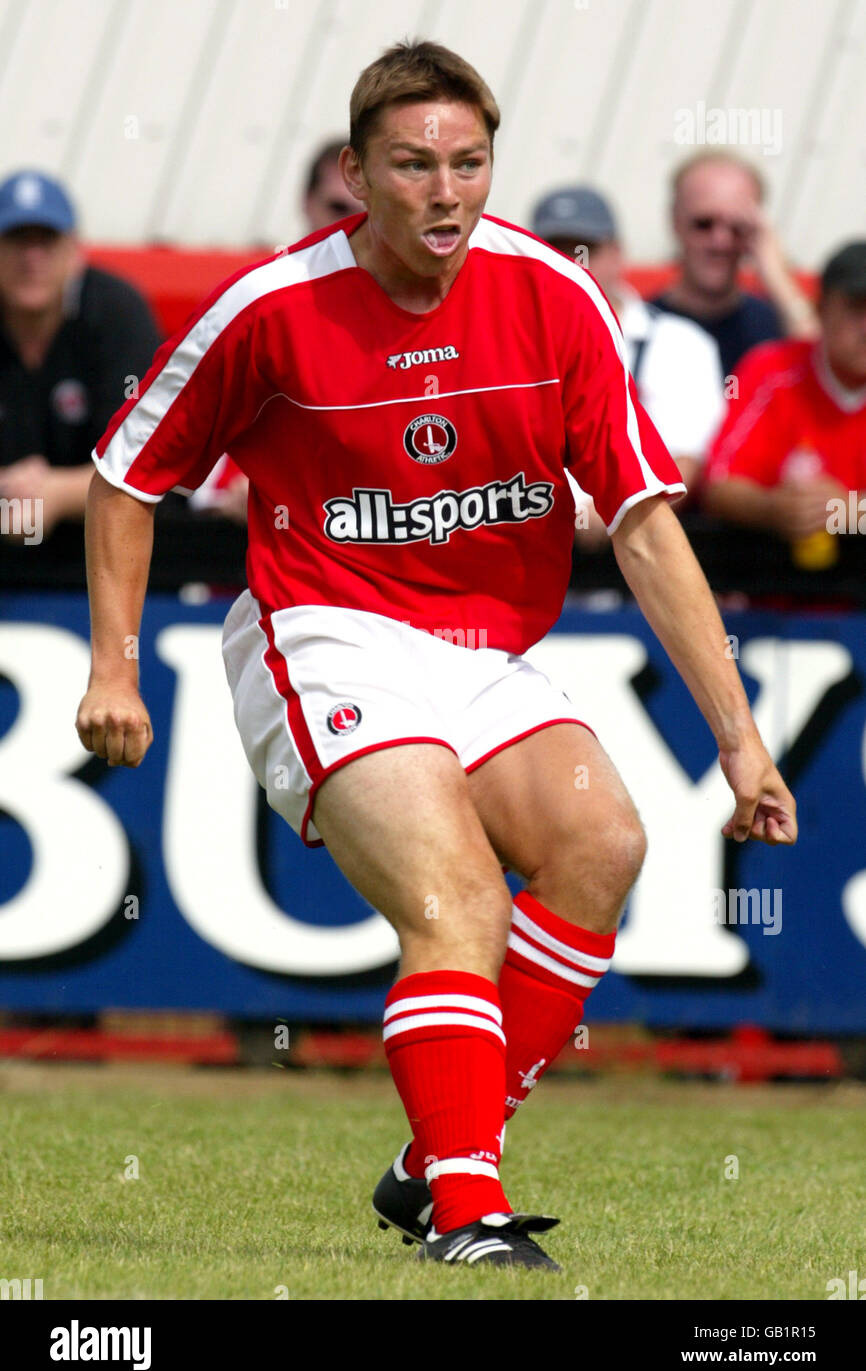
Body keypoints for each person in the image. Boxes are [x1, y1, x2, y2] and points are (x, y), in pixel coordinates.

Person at [75, 40, 797, 1272]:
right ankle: (468, 1210)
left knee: (602, 842)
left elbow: (642, 525)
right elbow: (125, 477)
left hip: (478, 651)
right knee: (453, 895)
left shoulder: (552, 299)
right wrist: (113, 667)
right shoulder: (269, 308)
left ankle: (432, 1154)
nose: (446, 190)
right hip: (321, 633)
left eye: (467, 161)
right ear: (356, 173)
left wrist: (739, 742)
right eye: (413, 165)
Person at [532, 185, 724, 550]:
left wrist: (608, 516)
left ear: (618, 255)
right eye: (553, 250)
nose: (571, 262)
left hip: (639, 555)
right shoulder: (509, 344)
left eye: (583, 250)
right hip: (543, 558)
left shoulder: (681, 343)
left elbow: (686, 463)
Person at [193, 138, 366, 527]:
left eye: (365, 210)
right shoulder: (253, 307)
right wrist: (242, 492)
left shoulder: (415, 313)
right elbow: (180, 454)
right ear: (305, 202)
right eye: (337, 207)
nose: (349, 223)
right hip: (242, 559)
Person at [0, 170, 160, 556]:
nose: (32, 258)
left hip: (105, 554)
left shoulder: (116, 313)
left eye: (47, 241)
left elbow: (148, 458)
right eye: (17, 241)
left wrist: (55, 493)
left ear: (75, 253)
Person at [701, 241, 866, 564]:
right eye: (856, 308)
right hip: (772, 600)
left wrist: (848, 509)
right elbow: (719, 484)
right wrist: (773, 509)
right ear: (821, 310)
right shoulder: (771, 371)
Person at [652, 151, 819, 378]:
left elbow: (826, 379)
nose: (720, 241)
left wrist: (776, 273)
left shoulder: (777, 327)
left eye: (737, 226)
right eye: (704, 223)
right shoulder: (640, 328)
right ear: (675, 221)